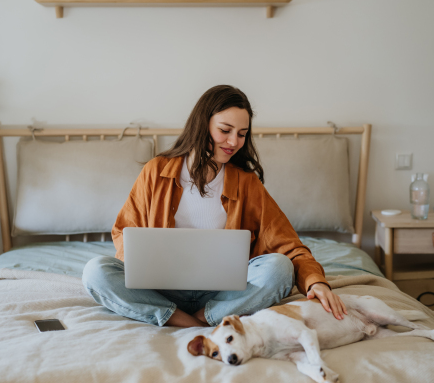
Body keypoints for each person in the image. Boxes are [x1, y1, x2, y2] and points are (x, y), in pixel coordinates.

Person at [82, 85, 347, 327]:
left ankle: (201, 317)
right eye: (225, 130)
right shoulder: (156, 171)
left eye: (242, 134)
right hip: (160, 289)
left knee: (280, 268)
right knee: (95, 272)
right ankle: (176, 316)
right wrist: (143, 269)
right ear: (202, 124)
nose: (234, 142)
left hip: (224, 293)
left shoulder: (246, 184)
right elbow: (125, 232)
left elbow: (288, 246)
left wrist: (317, 282)